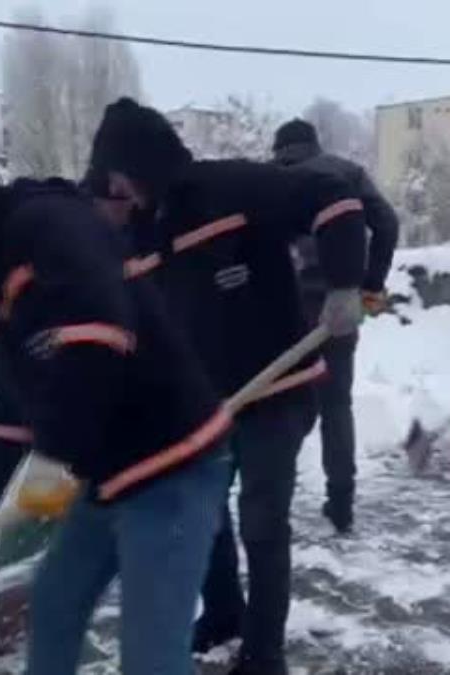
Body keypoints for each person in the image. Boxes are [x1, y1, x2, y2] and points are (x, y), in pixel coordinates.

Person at [0, 124, 232, 675]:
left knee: (151, 658)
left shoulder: (46, 227)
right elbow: (10, 406)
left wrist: (52, 455)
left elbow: (100, 335)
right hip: (111, 469)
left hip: (174, 462)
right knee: (54, 606)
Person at [84, 98, 367, 675]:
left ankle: (265, 653)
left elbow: (335, 201)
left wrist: (345, 284)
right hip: (204, 402)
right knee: (203, 515)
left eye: (118, 179)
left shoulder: (229, 187)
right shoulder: (135, 237)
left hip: (276, 387)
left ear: (140, 165)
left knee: (261, 520)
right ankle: (223, 615)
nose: (117, 194)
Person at [270, 118, 400, 535]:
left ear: (280, 150)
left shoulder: (272, 178)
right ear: (314, 143)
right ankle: (341, 504)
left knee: (283, 404)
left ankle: (274, 504)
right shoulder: (347, 173)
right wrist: (369, 284)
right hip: (339, 300)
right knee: (336, 404)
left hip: (286, 306)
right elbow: (388, 223)